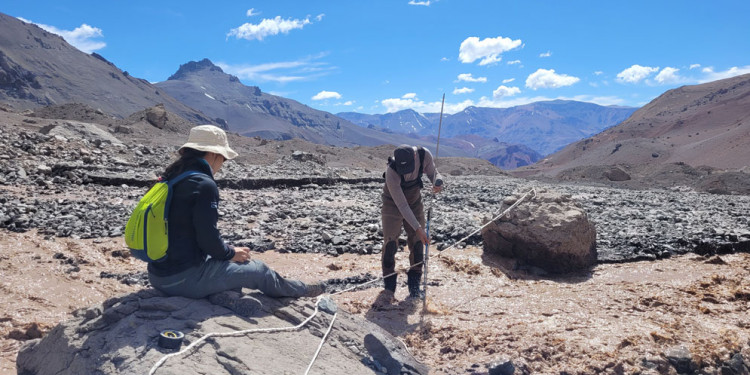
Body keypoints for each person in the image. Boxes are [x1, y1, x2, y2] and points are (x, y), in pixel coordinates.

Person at [147, 125, 325, 310]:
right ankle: (302, 289)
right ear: (213, 154)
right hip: (183, 280)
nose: (222, 164)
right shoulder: (203, 184)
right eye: (223, 158)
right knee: (258, 271)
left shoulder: (171, 178)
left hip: (158, 276)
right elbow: (207, 237)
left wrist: (227, 252)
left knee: (229, 264)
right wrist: (230, 253)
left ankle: (222, 296)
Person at [381, 144, 443, 299]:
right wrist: (418, 227)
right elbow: (401, 205)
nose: (406, 173)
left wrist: (438, 182)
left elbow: (434, 173)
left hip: (415, 202)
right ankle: (389, 287)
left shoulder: (424, 155)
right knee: (390, 244)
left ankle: (414, 285)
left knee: (417, 243)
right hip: (392, 204)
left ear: (415, 157)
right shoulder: (391, 171)